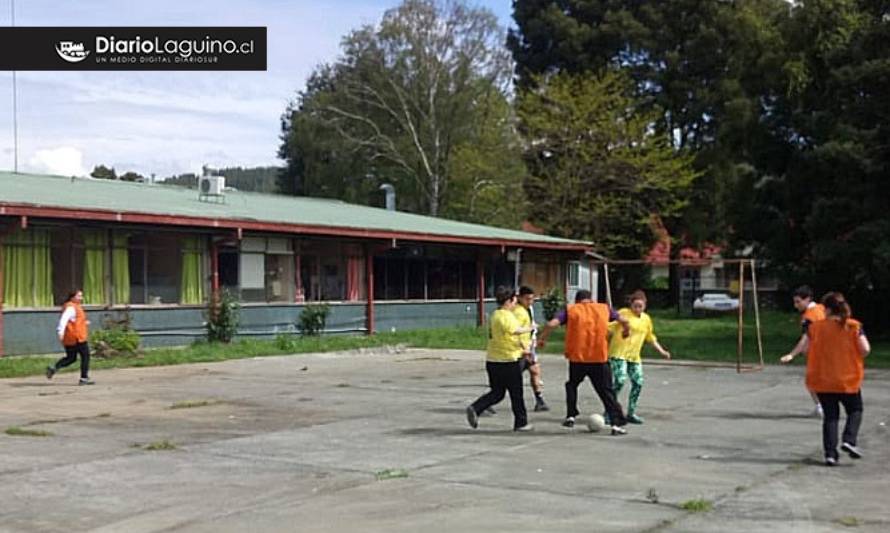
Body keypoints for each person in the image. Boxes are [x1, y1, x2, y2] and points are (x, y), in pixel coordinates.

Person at [790, 292, 869, 466]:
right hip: (847, 378)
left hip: (823, 378)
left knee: (831, 417)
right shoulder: (853, 326)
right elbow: (865, 349)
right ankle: (849, 439)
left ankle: (830, 455)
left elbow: (806, 349)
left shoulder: (815, 328)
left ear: (826, 309)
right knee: (855, 410)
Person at [538, 289, 631, 435]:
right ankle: (616, 424)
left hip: (578, 358)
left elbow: (551, 324)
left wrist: (542, 338)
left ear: (577, 300)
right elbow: (624, 320)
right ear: (591, 299)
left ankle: (571, 416)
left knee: (572, 385)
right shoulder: (603, 308)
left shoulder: (571, 310)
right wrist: (626, 331)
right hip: (599, 358)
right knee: (606, 391)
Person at [466, 286, 536, 432]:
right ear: (510, 300)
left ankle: (476, 408)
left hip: (493, 360)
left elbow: (509, 336)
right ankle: (521, 423)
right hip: (508, 361)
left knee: (497, 393)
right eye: (514, 300)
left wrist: (523, 348)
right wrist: (530, 328)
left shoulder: (494, 315)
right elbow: (514, 330)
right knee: (516, 394)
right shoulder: (506, 315)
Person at [606, 290, 671, 424]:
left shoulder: (646, 319)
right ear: (631, 304)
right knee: (619, 380)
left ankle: (631, 412)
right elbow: (609, 328)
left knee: (638, 382)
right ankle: (610, 411)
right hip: (619, 354)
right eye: (635, 305)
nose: (637, 309)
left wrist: (662, 351)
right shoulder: (624, 313)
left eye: (640, 306)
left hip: (634, 357)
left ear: (645, 305)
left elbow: (650, 337)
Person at [780, 285, 826, 417]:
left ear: (808, 299)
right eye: (795, 302)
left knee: (812, 381)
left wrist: (791, 354)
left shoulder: (809, 316)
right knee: (821, 380)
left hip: (819, 353)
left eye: (798, 301)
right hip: (828, 351)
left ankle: (821, 407)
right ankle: (823, 406)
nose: (796, 305)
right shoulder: (821, 309)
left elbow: (805, 338)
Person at [46, 289, 94, 385]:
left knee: (71, 358)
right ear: (72, 297)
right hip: (77, 337)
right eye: (79, 296)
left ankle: (54, 367)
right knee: (85, 356)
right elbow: (64, 320)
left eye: (81, 296)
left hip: (70, 337)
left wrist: (84, 323)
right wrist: (60, 331)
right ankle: (84, 378)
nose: (81, 298)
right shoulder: (71, 307)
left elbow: (73, 321)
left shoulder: (73, 306)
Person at [515, 285, 549, 412]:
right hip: (521, 349)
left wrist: (535, 340)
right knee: (510, 378)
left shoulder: (529, 309)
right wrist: (524, 349)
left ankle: (539, 400)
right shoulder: (518, 311)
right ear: (520, 298)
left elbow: (530, 326)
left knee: (535, 371)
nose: (530, 301)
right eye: (527, 299)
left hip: (530, 345)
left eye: (532, 299)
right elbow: (515, 331)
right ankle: (488, 401)